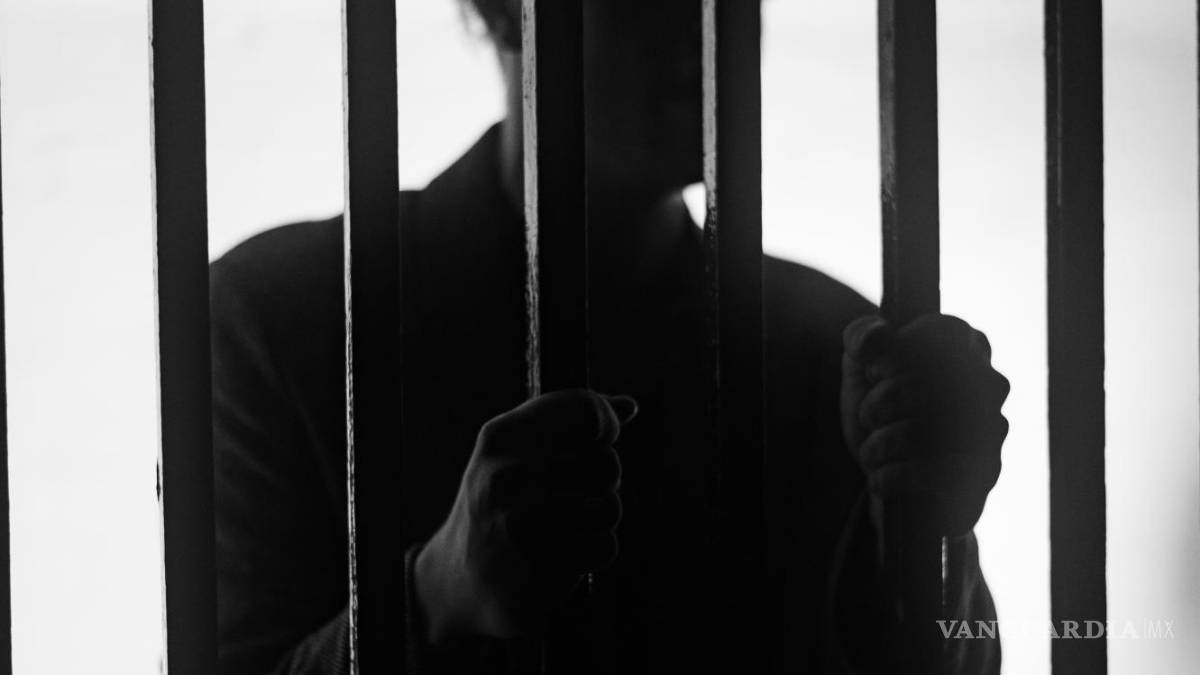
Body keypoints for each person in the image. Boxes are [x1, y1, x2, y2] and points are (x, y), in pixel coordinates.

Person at [211, 1, 1009, 673]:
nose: (705, 20)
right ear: (500, 10)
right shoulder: (281, 320)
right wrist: (437, 595)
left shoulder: (828, 345)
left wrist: (929, 534)